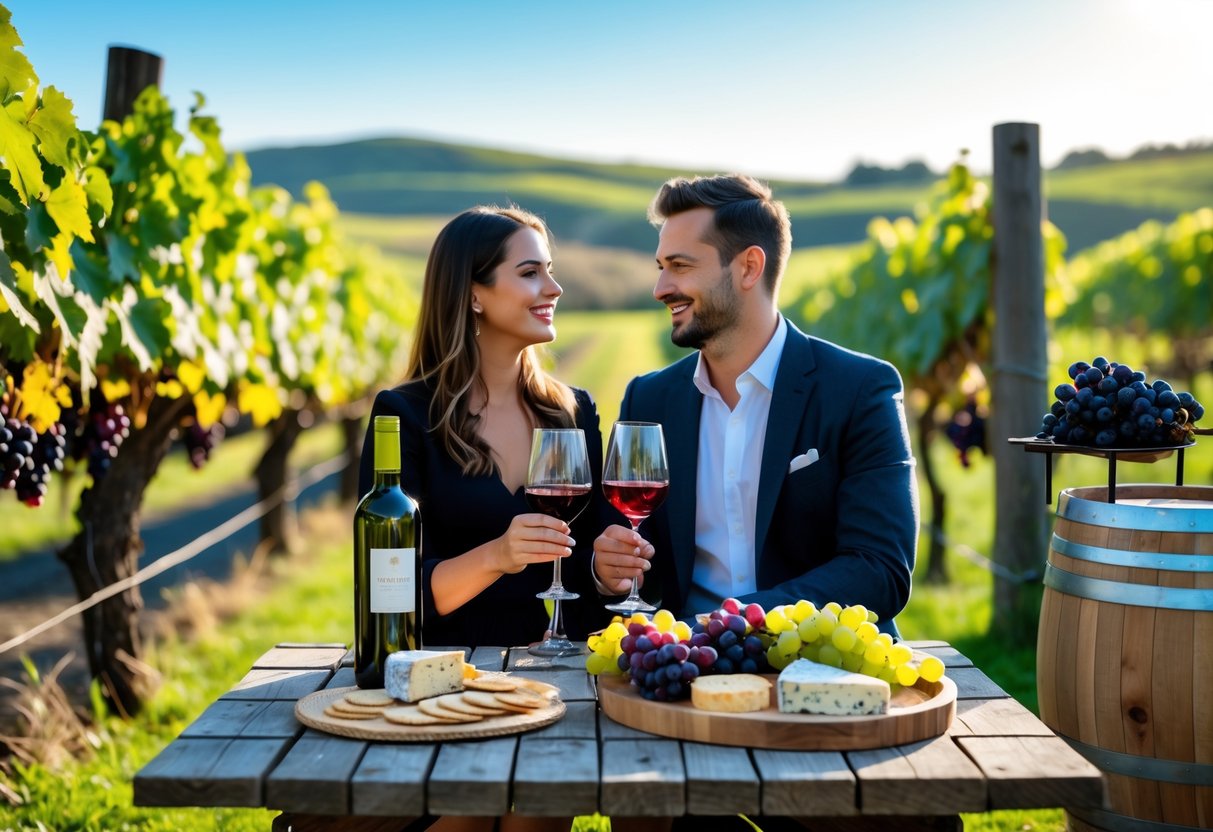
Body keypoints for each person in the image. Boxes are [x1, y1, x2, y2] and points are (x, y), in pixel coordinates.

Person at [592, 174, 919, 634]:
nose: (661, 287)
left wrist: (732, 622)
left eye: (681, 266)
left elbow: (879, 570)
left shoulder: (861, 389)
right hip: (686, 669)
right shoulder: (648, 399)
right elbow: (633, 562)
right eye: (660, 266)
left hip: (826, 673)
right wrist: (609, 572)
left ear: (748, 267)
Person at [358, 205, 614, 651]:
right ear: (474, 294)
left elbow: (586, 579)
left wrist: (607, 573)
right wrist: (498, 555)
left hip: (557, 678)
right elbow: (394, 592)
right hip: (442, 676)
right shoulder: (404, 416)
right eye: (530, 272)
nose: (553, 288)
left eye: (549, 271)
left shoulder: (572, 413)